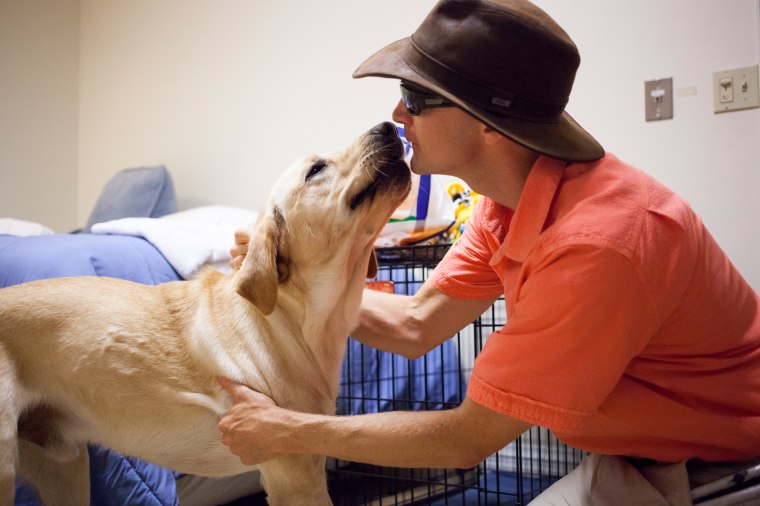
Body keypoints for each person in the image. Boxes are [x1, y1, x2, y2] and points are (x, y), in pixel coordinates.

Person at [218, 0, 760, 503]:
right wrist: (291, 280)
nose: (397, 115)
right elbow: (416, 323)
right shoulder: (507, 203)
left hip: (726, 463)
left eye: (417, 99)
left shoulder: (597, 246)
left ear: (489, 124)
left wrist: (288, 431)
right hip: (648, 452)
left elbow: (466, 439)